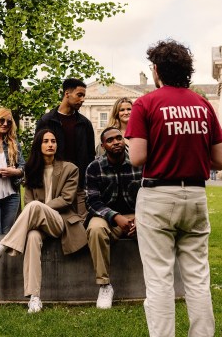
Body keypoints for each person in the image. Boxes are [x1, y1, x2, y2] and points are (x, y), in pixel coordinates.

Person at [125, 39, 222, 337]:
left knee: (159, 279)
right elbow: (220, 160)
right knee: (197, 278)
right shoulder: (202, 103)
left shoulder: (146, 103)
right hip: (195, 194)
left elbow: (137, 157)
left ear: (156, 70)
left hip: (158, 194)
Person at [0, 129, 87, 313]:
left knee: (35, 206)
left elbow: (66, 199)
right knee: (33, 237)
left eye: (53, 141)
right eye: (45, 141)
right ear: (39, 145)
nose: (50, 144)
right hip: (38, 225)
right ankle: (34, 298)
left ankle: (0, 249)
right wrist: (37, 209)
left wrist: (41, 208)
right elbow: (27, 202)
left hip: (61, 222)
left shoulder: (70, 169)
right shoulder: (32, 171)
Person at [85, 127, 142, 309]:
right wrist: (115, 216)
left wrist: (140, 218)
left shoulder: (138, 163)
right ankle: (104, 285)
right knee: (95, 229)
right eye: (110, 140)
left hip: (136, 214)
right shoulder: (94, 167)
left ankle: (155, 282)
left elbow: (149, 195)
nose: (116, 142)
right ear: (103, 145)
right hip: (107, 217)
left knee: (155, 225)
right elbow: (92, 201)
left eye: (119, 138)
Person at [36, 78, 95, 218]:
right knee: (52, 224)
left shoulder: (85, 124)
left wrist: (87, 183)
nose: (82, 99)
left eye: (84, 96)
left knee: (81, 225)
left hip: (79, 186)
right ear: (67, 93)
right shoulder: (46, 121)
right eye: (79, 95)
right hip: (53, 184)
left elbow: (90, 156)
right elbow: (38, 152)